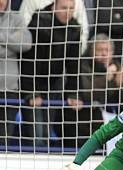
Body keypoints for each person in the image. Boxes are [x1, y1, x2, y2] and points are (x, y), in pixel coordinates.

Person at [20, 0, 81, 147]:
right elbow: (28, 61)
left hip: (54, 81)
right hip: (32, 79)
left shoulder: (74, 28)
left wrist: (74, 93)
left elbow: (73, 64)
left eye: (71, 8)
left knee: (46, 131)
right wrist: (31, 92)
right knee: (36, 132)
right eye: (63, 8)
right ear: (54, 7)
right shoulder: (39, 23)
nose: (68, 12)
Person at [76, 33, 123, 151]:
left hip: (115, 123)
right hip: (88, 122)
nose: (104, 54)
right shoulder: (83, 66)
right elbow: (88, 92)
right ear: (92, 52)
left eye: (107, 50)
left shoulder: (118, 67)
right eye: (100, 50)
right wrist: (106, 79)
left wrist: (122, 83)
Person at [0, 0, 32, 147]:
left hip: (9, 89)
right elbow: (16, 45)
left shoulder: (17, 18)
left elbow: (26, 43)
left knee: (4, 138)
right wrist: (10, 45)